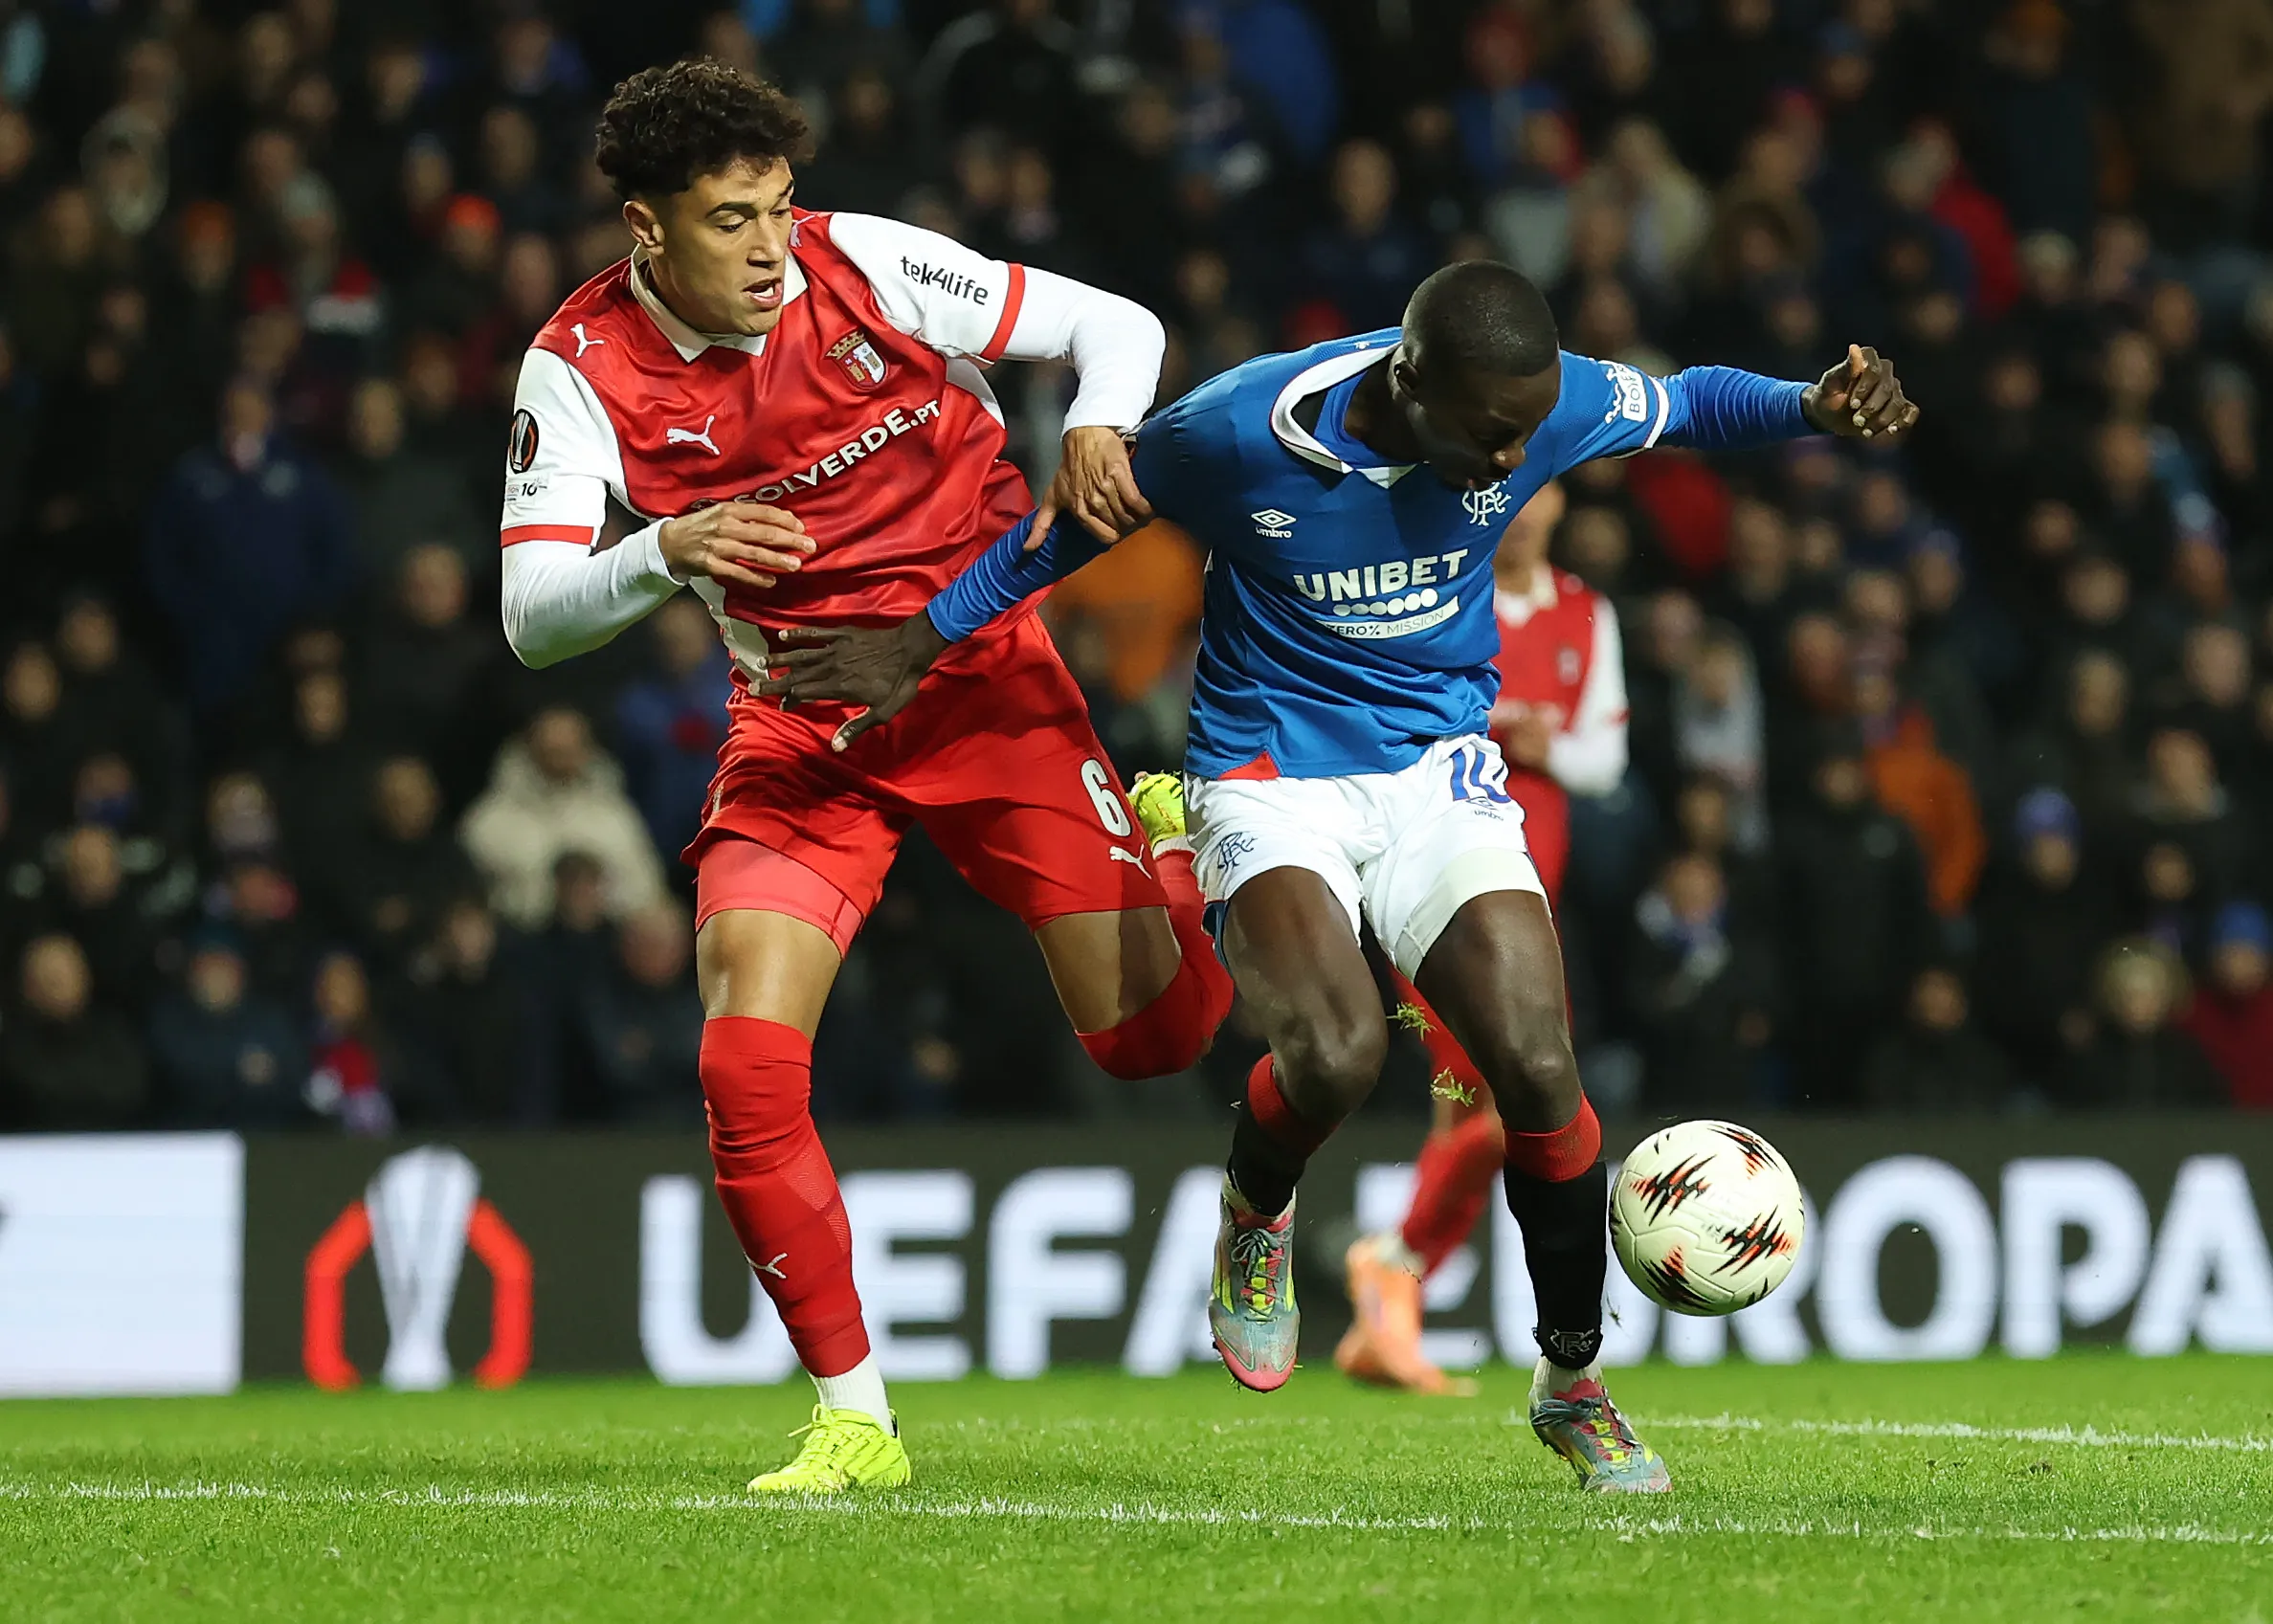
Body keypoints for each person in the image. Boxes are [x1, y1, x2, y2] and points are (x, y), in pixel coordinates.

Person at [765, 261, 1915, 1491]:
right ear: (1406, 380)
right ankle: (1255, 1211)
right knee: (1336, 1053)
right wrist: (925, 637)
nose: (1514, 460)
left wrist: (1810, 403)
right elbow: (1067, 533)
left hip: (1435, 769)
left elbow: (1686, 403)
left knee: (1535, 1067)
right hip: (1269, 774)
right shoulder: (1227, 431)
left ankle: (1571, 1380)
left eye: (1528, 434)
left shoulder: (1534, 400)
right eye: (1488, 436)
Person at [494, 59, 1231, 1494]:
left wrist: (1093, 419)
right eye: (728, 222)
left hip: (983, 684)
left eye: (775, 207)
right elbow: (532, 621)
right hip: (800, 730)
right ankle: (853, 1418)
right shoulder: (573, 369)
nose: (770, 247)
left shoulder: (865, 263)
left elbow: (1114, 324)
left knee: (1152, 1045)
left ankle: (1172, 850)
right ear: (644, 230)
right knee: (739, 1062)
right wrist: (665, 551)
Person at [1337, 474, 1632, 1398]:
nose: (1527, 509)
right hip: (1432, 891)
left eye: (1542, 494)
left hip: (1527, 909)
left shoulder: (1588, 613)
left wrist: (1542, 747)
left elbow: (1606, 757)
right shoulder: (1437, 590)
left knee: (1482, 1114)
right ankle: (1393, 1263)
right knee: (1503, 1108)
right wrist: (1499, 729)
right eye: (1511, 495)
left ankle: (1387, 1309)